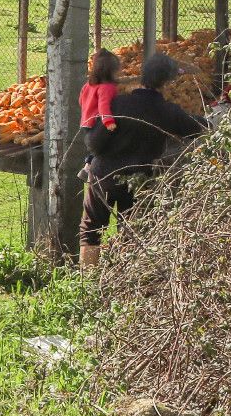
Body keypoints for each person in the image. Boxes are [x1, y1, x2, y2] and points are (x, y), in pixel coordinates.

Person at [78, 51, 207, 269]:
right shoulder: (167, 112)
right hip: (138, 180)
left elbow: (94, 144)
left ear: (143, 76)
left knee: (91, 229)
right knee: (132, 230)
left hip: (104, 175)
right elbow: (197, 128)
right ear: (166, 82)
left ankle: (87, 279)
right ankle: (125, 279)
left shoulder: (119, 104)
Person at [80, 48, 120, 132]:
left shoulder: (88, 85)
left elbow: (81, 101)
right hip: (97, 124)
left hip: (85, 122)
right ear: (110, 72)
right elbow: (103, 105)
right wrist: (108, 121)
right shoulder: (107, 88)